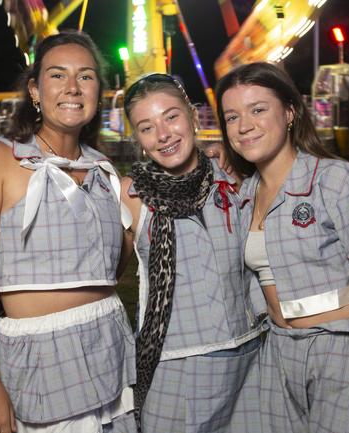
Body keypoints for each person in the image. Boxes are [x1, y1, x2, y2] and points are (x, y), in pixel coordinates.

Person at [215, 62, 349, 433]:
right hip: (277, 355)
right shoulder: (246, 193)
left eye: (258, 109)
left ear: (290, 112)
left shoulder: (337, 181)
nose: (244, 125)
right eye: (232, 116)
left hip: (344, 355)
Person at [0, 30, 135, 433]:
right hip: (39, 363)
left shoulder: (104, 170)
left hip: (113, 351)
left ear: (98, 92)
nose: (73, 87)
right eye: (58, 75)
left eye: (86, 77)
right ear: (35, 90)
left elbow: (112, 267)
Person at [120, 73, 262, 433]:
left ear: (194, 117)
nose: (163, 134)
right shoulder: (129, 197)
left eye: (171, 116)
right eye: (147, 127)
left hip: (251, 361)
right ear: (137, 138)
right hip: (175, 368)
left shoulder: (236, 181)